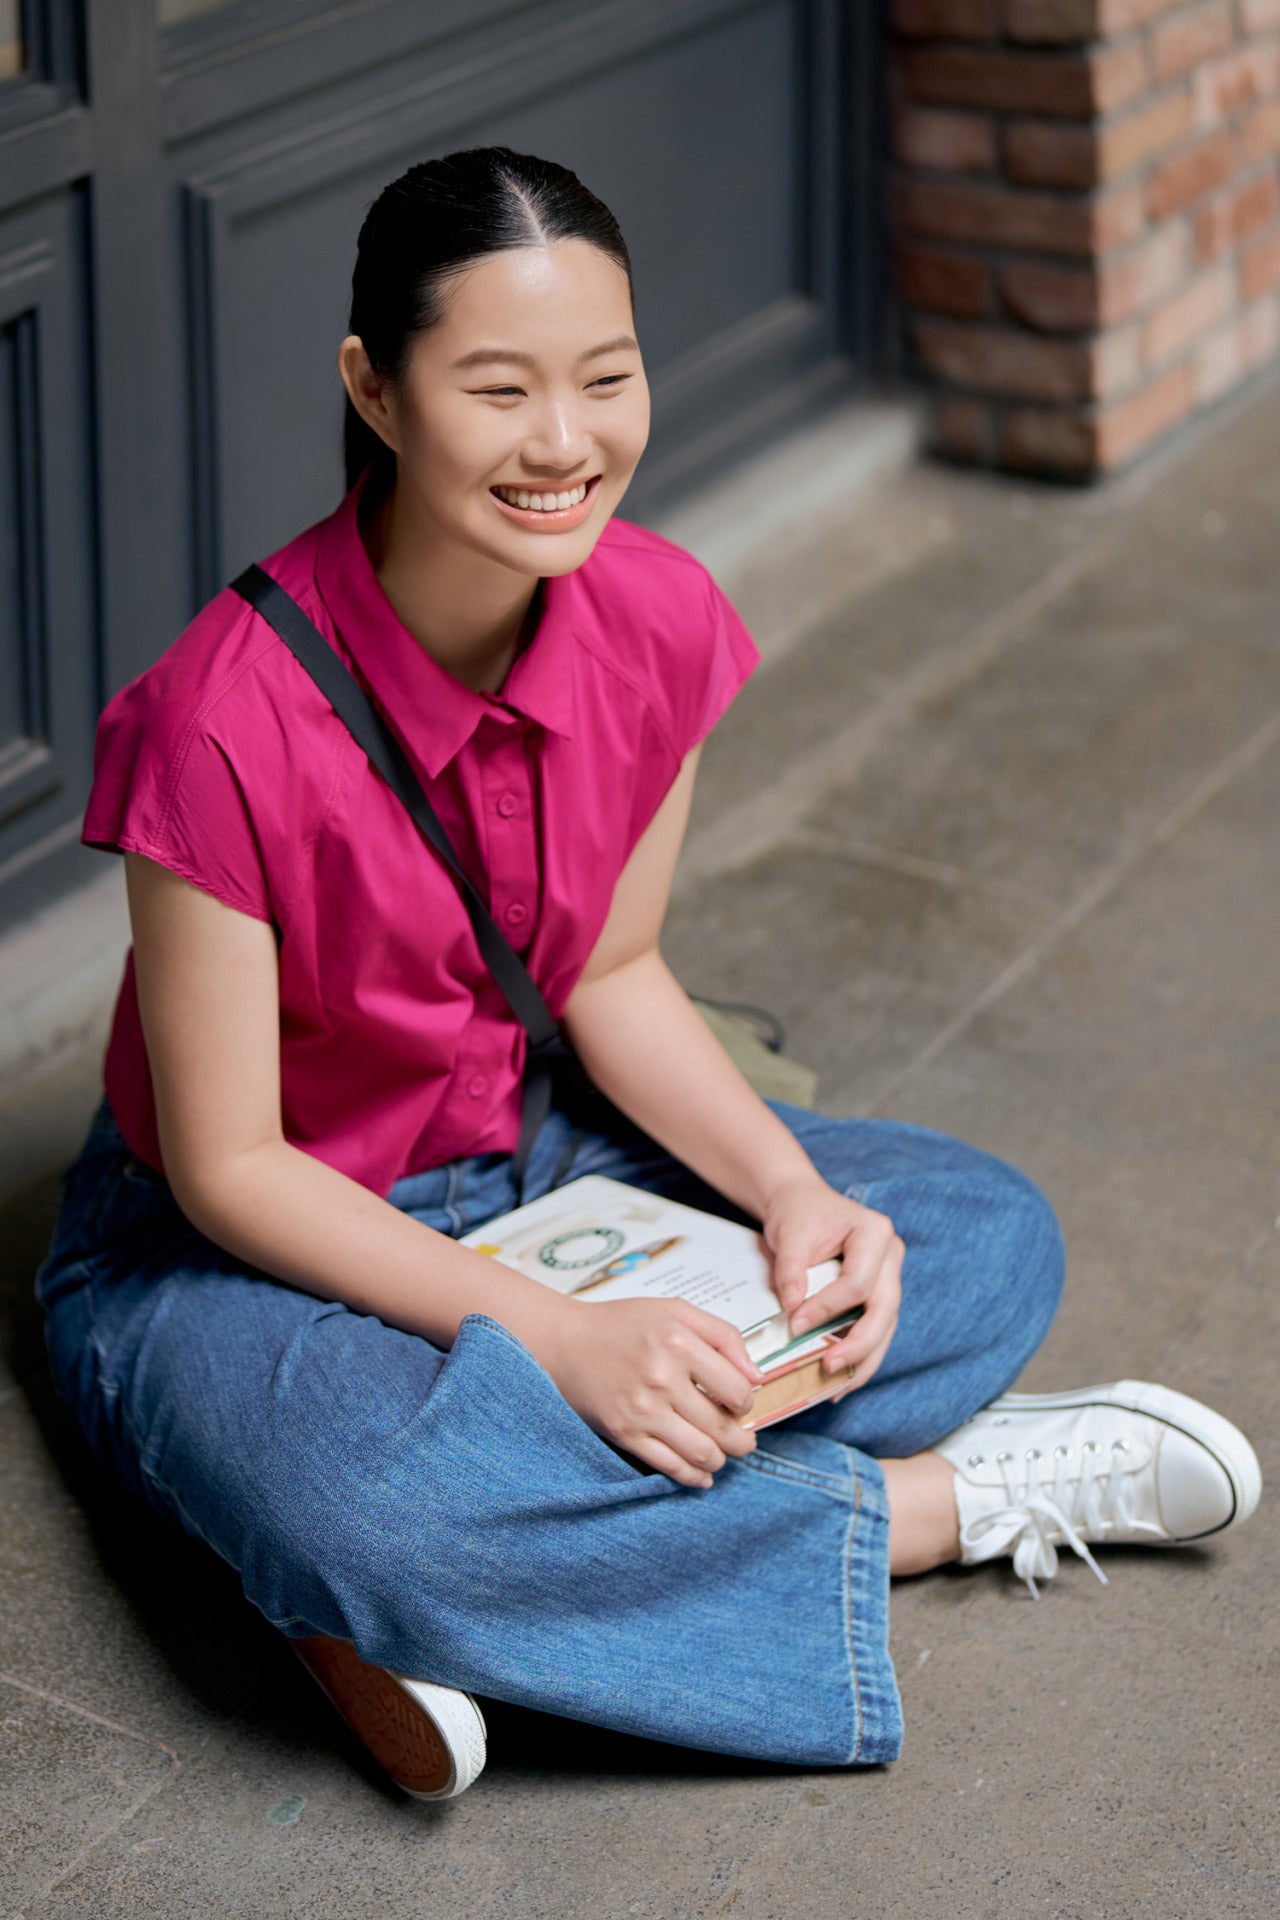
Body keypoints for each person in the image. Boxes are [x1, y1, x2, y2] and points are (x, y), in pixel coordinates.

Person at [34, 146, 1261, 1802]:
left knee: (971, 1242)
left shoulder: (661, 616)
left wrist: (786, 1187)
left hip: (527, 1159)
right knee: (356, 1488)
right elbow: (229, 1165)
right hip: (238, 1248)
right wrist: (554, 1340)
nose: (565, 442)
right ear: (375, 392)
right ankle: (933, 1508)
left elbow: (611, 977)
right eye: (498, 387)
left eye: (606, 379)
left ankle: (455, 1591)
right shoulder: (218, 719)